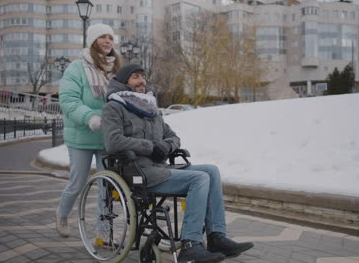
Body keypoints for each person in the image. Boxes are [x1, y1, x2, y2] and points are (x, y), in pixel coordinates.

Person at [102, 63, 253, 263]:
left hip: (160, 167)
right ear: (123, 82)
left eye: (143, 76)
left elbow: (173, 137)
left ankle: (216, 236)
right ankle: (191, 244)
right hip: (138, 171)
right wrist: (150, 147)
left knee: (212, 171)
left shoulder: (150, 108)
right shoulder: (114, 107)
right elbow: (113, 142)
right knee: (199, 179)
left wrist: (166, 146)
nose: (142, 81)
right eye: (135, 77)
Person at [56, 23, 122, 238]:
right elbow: (68, 100)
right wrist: (89, 117)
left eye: (110, 38)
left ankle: (103, 234)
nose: (107, 41)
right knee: (77, 182)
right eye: (102, 37)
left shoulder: (117, 69)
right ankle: (62, 214)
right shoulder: (76, 68)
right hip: (81, 136)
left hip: (107, 137)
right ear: (93, 41)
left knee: (106, 187)